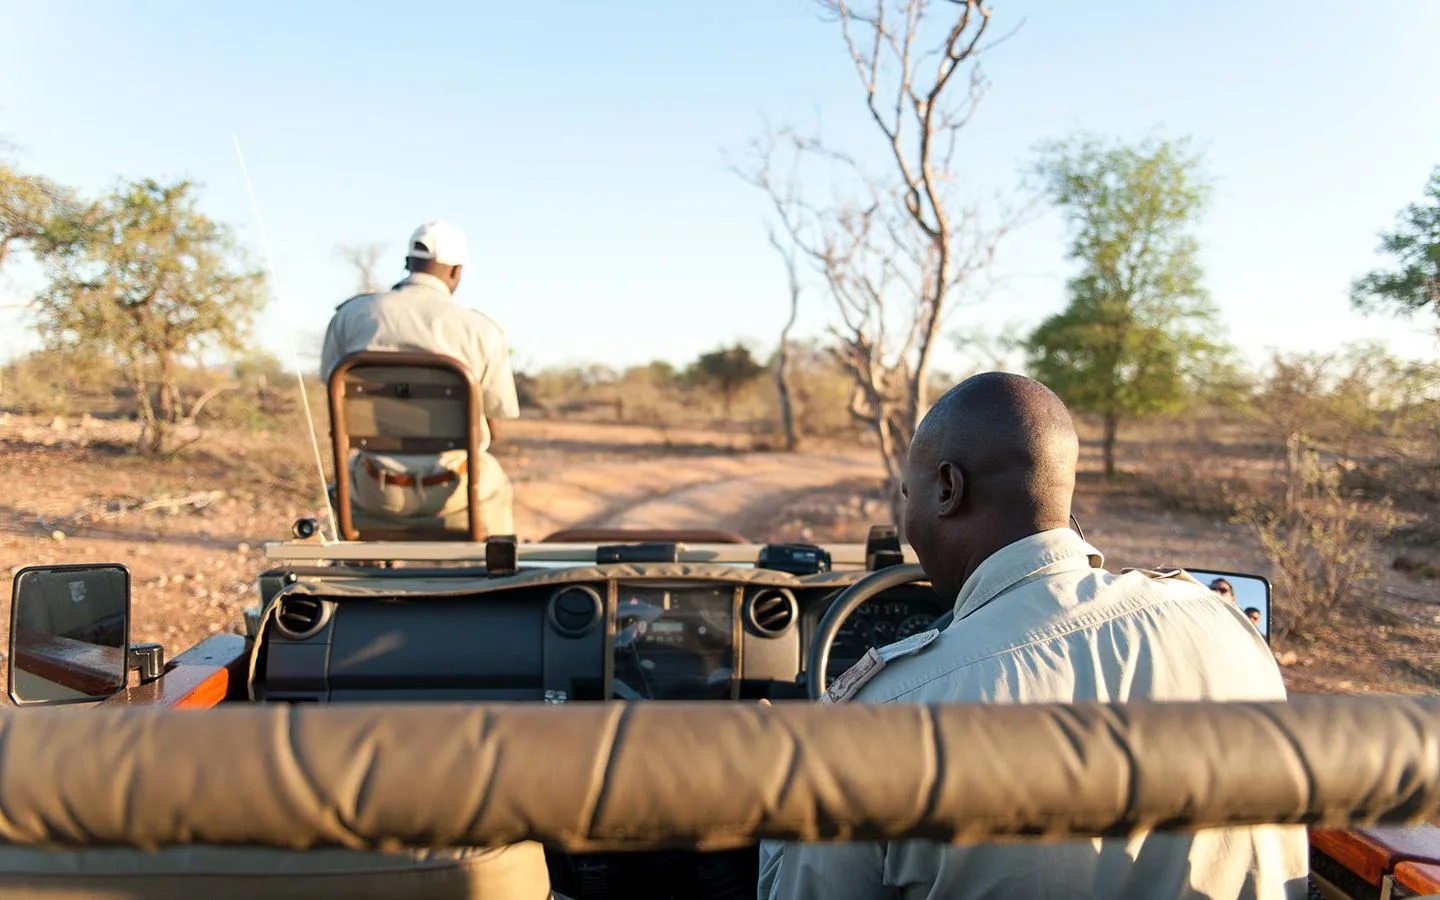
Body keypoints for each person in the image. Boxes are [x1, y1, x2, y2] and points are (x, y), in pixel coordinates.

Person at [759, 372, 1307, 899]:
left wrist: (784, 774)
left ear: (948, 488)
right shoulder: (1223, 623)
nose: (910, 524)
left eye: (911, 496)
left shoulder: (876, 719)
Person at [320, 221, 520, 536]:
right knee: (494, 478)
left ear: (407, 263)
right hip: (456, 490)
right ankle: (496, 570)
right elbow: (496, 416)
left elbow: (334, 398)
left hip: (376, 492)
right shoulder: (480, 329)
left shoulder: (350, 316)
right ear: (456, 272)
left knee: (345, 475)